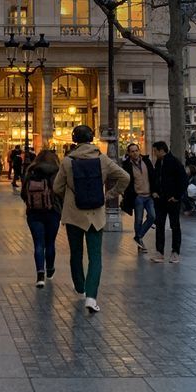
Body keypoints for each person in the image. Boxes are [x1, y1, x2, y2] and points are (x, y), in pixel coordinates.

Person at [52, 125, 129, 313]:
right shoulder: (102, 159)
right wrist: (110, 194)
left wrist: (69, 196)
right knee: (95, 257)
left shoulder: (68, 161)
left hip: (73, 214)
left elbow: (56, 188)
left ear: (74, 140)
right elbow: (124, 177)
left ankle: (80, 286)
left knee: (76, 253)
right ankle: (91, 296)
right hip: (96, 213)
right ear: (92, 138)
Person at [21, 149, 61, 288]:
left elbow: (23, 193)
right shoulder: (56, 171)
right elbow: (60, 192)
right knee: (50, 243)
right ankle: (50, 269)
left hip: (34, 213)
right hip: (52, 212)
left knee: (38, 244)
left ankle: (40, 276)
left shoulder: (30, 171)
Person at [150, 141, 187, 264]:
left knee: (174, 225)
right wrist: (154, 192)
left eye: (155, 151)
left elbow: (183, 180)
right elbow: (156, 178)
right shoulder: (158, 162)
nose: (154, 154)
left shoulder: (174, 162)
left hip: (172, 200)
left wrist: (176, 196)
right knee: (159, 225)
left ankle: (175, 252)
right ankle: (159, 252)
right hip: (160, 200)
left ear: (161, 150)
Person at [122, 143, 155, 253]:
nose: (135, 153)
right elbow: (126, 181)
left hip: (149, 195)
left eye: (136, 150)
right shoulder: (127, 165)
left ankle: (138, 236)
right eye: (132, 151)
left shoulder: (146, 161)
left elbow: (152, 176)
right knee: (138, 220)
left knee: (152, 216)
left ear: (139, 150)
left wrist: (155, 191)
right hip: (138, 197)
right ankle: (140, 244)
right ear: (129, 153)